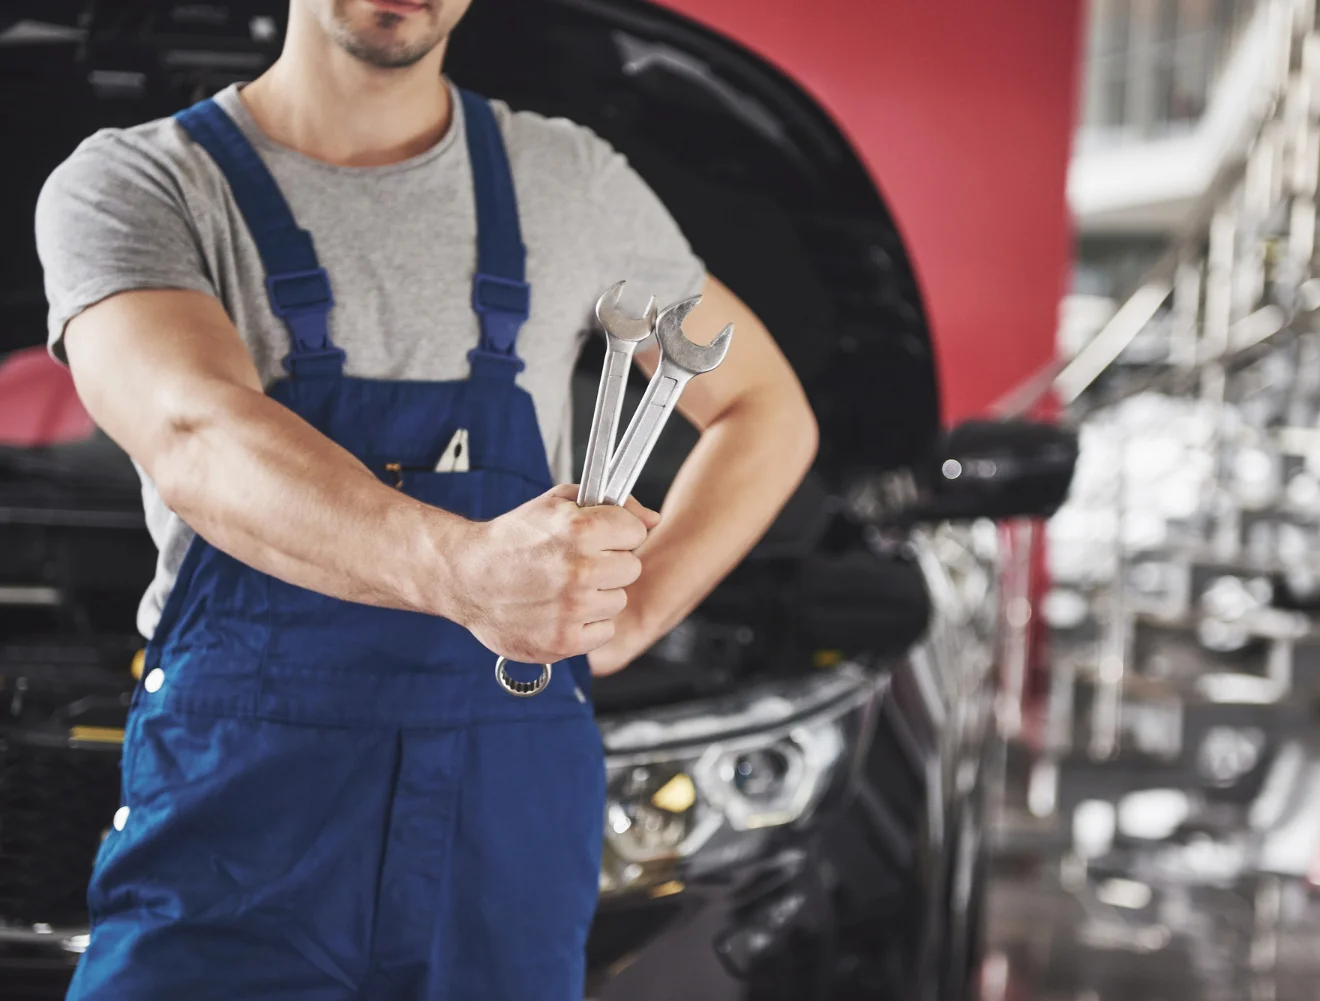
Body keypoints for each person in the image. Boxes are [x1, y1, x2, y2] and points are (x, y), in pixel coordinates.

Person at [33, 0, 817, 998]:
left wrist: (631, 611)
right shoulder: (139, 182)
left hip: (506, 824)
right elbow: (195, 430)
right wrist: (461, 569)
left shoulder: (568, 180)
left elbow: (763, 405)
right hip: (243, 815)